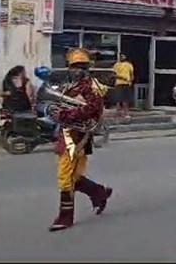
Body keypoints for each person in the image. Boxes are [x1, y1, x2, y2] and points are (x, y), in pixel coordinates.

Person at [48, 48, 113, 232]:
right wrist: (54, 111)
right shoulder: (70, 87)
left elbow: (93, 110)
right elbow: (59, 104)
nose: (77, 70)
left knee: (65, 176)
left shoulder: (93, 87)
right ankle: (99, 192)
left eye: (81, 66)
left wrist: (66, 113)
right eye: (74, 66)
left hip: (79, 135)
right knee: (72, 176)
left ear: (87, 68)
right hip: (66, 131)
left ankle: (65, 216)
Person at [112, 54, 134, 118]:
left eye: (123, 56)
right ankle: (118, 113)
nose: (121, 57)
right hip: (119, 83)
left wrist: (130, 81)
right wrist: (122, 77)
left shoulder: (129, 65)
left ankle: (126, 113)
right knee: (118, 99)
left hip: (126, 84)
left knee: (126, 100)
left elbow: (131, 74)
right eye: (120, 56)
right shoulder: (116, 65)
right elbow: (113, 75)